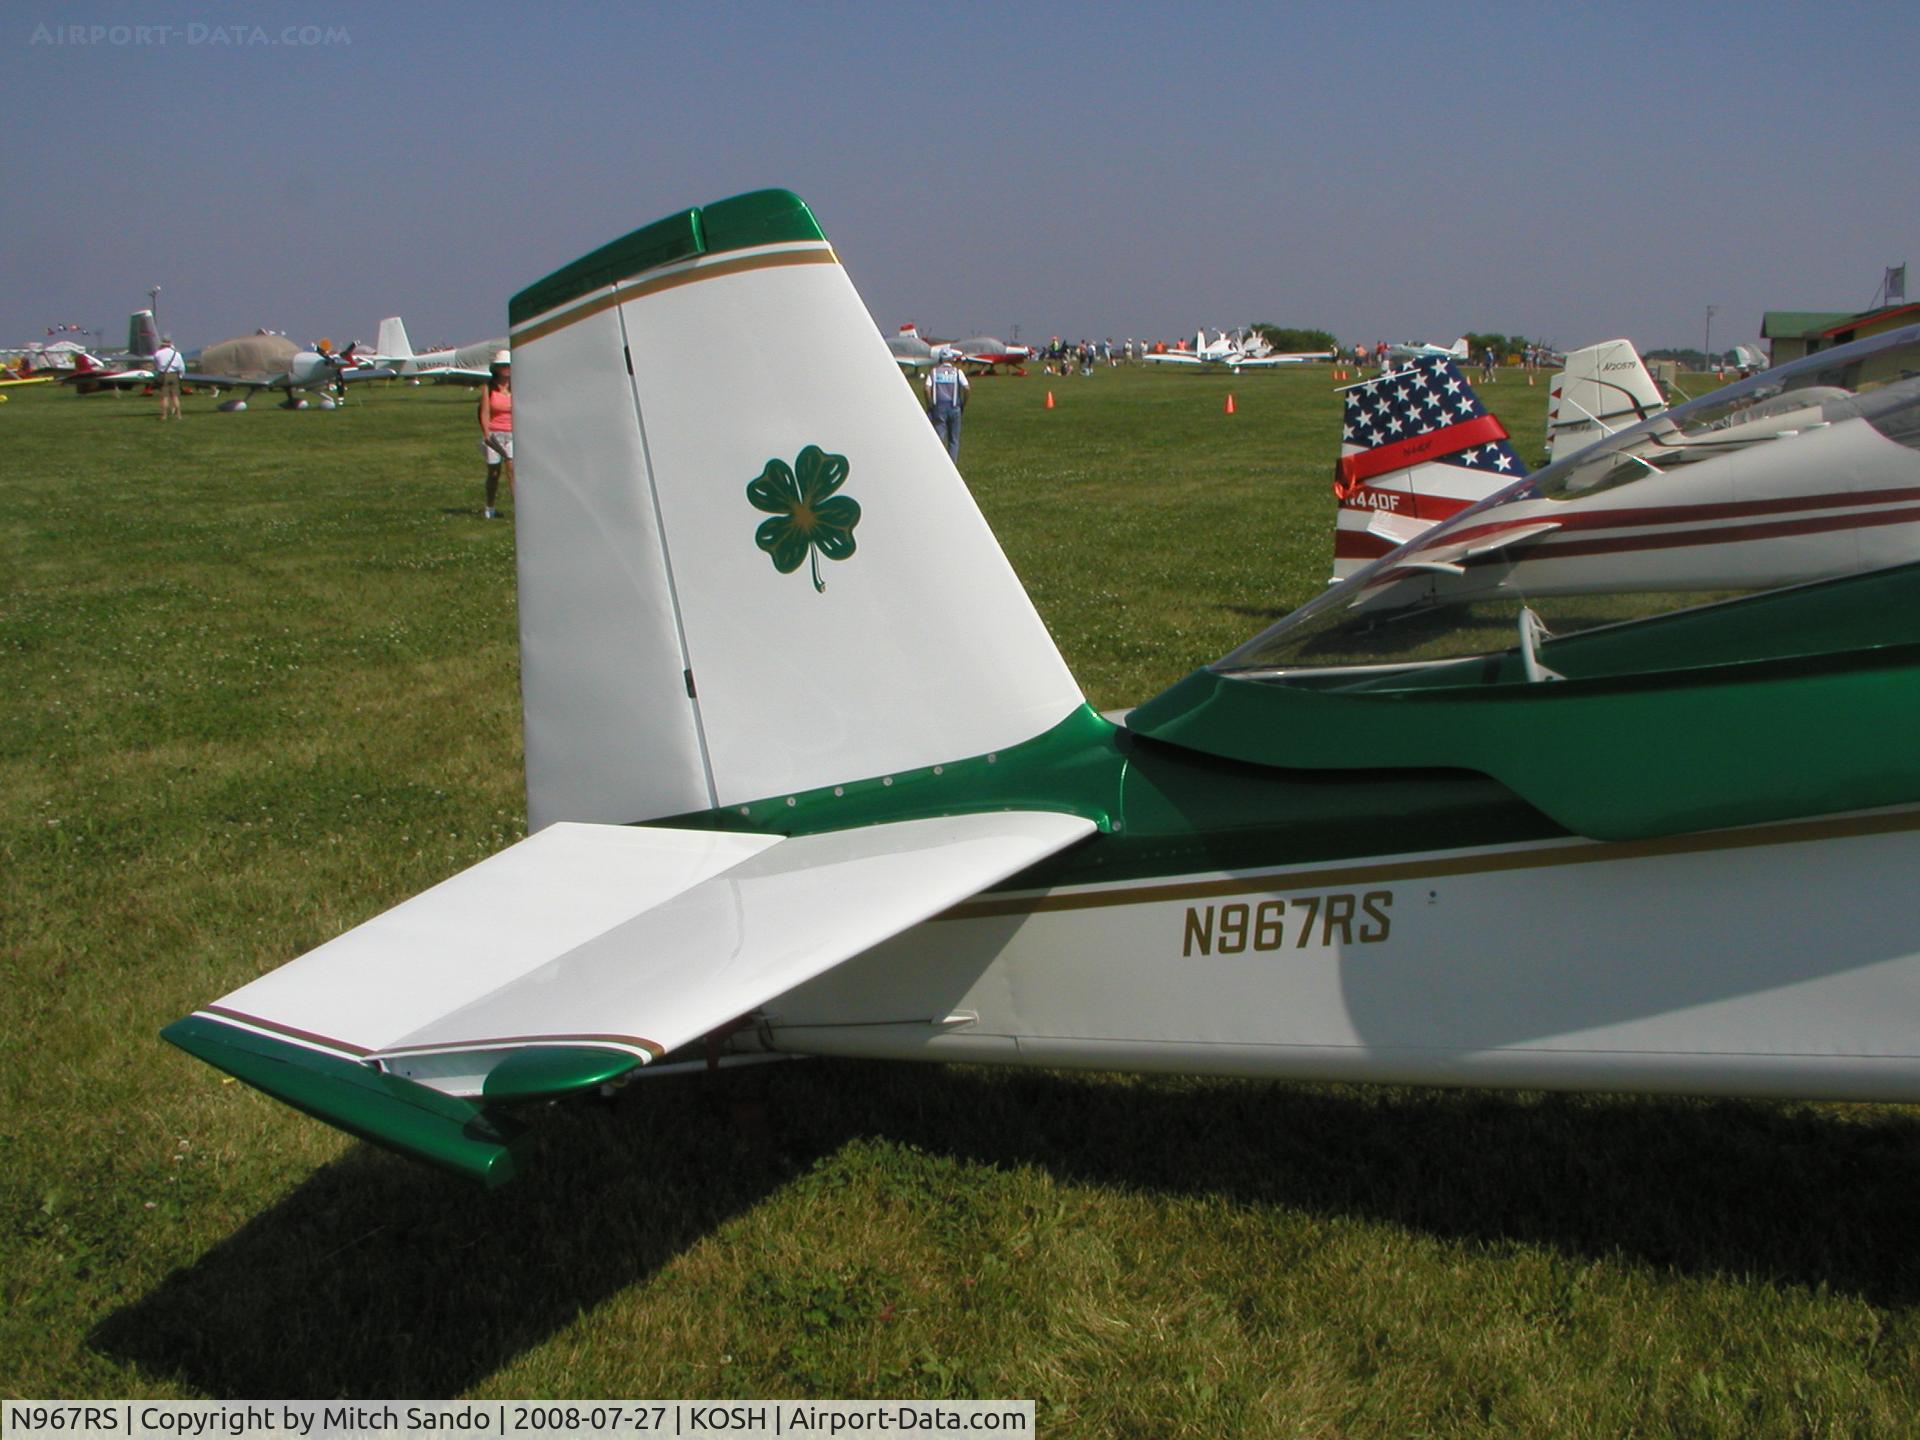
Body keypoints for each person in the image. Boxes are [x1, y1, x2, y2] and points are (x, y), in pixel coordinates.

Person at [478, 350, 513, 517]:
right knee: (494, 473)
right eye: (503, 366)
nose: (506, 369)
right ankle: (490, 507)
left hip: (512, 435)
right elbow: (484, 412)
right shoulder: (488, 388)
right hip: (494, 435)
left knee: (512, 470)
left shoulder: (517, 387)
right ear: (497, 369)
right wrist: (486, 434)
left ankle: (518, 509)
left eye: (509, 365)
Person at [924, 349, 968, 460]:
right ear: (951, 359)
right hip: (955, 407)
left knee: (939, 439)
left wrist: (929, 404)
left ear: (940, 359)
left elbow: (926, 388)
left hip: (938, 408)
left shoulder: (934, 372)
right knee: (954, 440)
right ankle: (952, 465)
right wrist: (964, 403)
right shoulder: (958, 372)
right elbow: (967, 388)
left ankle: (938, 463)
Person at [152, 335, 185, 420]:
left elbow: (156, 365)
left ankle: (164, 415)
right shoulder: (177, 353)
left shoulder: (158, 353)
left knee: (164, 396)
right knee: (175, 396)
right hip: (174, 375)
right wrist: (181, 375)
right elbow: (181, 366)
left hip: (163, 374)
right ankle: (179, 415)